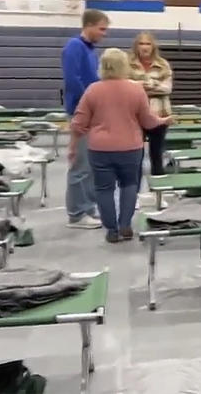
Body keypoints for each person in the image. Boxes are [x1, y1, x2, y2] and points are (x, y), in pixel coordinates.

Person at [70, 48, 172, 243]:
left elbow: (78, 124)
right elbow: (148, 121)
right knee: (129, 185)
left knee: (103, 189)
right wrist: (163, 120)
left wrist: (73, 147)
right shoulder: (136, 89)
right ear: (125, 66)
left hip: (100, 149)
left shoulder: (93, 90)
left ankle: (111, 230)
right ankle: (125, 224)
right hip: (130, 147)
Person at [60, 9, 108, 229]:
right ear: (88, 25)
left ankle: (88, 207)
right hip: (81, 111)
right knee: (80, 164)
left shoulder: (91, 51)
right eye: (101, 28)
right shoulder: (74, 47)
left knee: (90, 165)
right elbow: (72, 80)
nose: (104, 33)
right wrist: (89, 104)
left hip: (93, 112)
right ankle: (77, 214)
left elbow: (94, 80)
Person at [129, 32, 173, 176]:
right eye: (141, 44)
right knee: (135, 155)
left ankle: (158, 191)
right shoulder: (127, 64)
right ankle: (133, 190)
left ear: (153, 46)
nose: (144, 47)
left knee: (157, 154)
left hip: (159, 114)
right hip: (135, 116)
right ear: (136, 46)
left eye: (148, 44)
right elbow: (123, 87)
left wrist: (144, 85)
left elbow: (167, 88)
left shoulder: (163, 64)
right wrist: (151, 86)